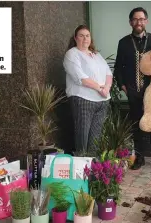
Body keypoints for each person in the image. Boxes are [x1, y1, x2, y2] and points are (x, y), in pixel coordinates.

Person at [113, 7, 151, 172]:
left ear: (146, 21)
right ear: (131, 22)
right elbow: (119, 67)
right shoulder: (123, 42)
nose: (139, 22)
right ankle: (139, 158)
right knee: (136, 125)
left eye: (142, 19)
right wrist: (123, 86)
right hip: (134, 92)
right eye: (135, 19)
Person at [63, 24, 113, 155]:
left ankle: (93, 167)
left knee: (95, 137)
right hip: (83, 100)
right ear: (75, 38)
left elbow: (108, 73)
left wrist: (106, 88)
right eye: (81, 35)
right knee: (82, 136)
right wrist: (99, 88)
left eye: (87, 35)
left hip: (102, 100)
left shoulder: (96, 55)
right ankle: (81, 166)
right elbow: (80, 77)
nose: (85, 38)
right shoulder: (72, 54)